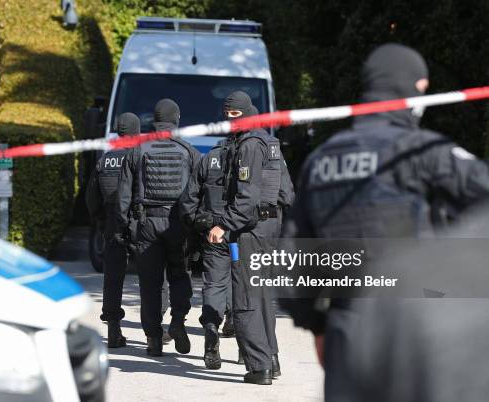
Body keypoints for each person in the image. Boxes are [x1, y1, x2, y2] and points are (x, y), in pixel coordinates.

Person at [287, 43, 489, 401]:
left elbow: (294, 252)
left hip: (346, 327)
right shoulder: (423, 152)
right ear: (412, 88)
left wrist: (316, 326)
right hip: (422, 325)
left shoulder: (320, 160)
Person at [207, 91, 295, 384]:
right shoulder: (269, 143)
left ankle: (259, 368)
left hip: (251, 230)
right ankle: (271, 358)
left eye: (235, 114)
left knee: (245, 296)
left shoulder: (248, 146)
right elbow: (287, 193)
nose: (230, 119)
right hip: (270, 227)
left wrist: (223, 225)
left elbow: (246, 199)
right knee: (262, 294)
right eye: (227, 113)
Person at [116, 99, 200, 356]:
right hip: (178, 224)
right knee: (179, 276)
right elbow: (200, 192)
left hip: (146, 224)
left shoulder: (137, 150)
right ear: (176, 119)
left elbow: (123, 197)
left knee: (150, 284)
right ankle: (177, 322)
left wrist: (125, 228)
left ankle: (153, 338)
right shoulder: (189, 151)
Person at [179, 134, 235, 370]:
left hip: (213, 231)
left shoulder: (208, 158)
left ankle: (211, 326)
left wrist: (195, 225)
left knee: (215, 283)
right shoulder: (251, 156)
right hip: (241, 232)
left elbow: (189, 198)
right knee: (241, 281)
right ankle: (242, 341)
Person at [86, 113, 141, 348]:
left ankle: (113, 331)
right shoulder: (141, 157)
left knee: (113, 279)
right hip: (139, 223)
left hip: (111, 225)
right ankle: (154, 333)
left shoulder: (104, 160)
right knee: (151, 278)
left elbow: (91, 197)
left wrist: (101, 221)